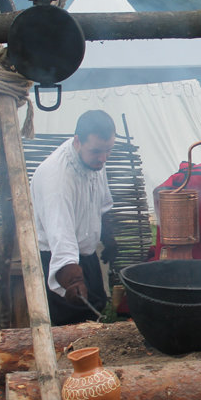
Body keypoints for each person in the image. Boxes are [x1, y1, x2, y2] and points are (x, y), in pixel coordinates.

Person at [30, 110, 117, 325]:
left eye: (108, 151)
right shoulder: (56, 179)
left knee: (95, 308)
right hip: (58, 258)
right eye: (97, 151)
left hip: (86, 254)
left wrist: (108, 237)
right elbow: (61, 236)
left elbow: (102, 203)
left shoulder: (95, 159)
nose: (103, 159)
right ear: (78, 141)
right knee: (70, 324)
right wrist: (73, 279)